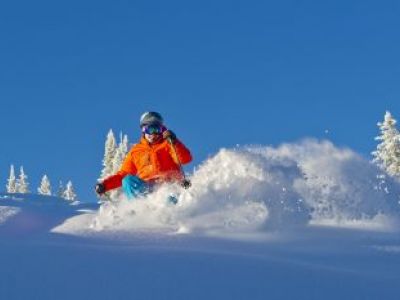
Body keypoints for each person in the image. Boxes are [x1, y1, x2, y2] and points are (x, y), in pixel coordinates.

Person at [95, 112, 193, 200]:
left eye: (157, 129)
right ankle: (140, 209)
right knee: (128, 181)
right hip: (148, 188)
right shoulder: (136, 151)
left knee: (168, 196)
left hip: (169, 185)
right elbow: (123, 174)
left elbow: (185, 159)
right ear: (143, 130)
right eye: (150, 129)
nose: (154, 134)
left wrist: (174, 142)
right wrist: (105, 185)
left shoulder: (168, 143)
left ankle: (169, 211)